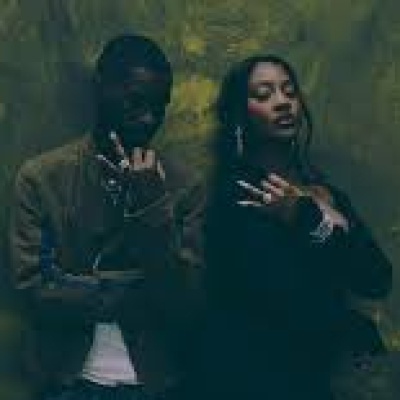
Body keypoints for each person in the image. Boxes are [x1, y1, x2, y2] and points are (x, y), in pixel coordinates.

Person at [10, 34, 204, 400]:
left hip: (158, 384)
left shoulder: (185, 186)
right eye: (135, 101)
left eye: (159, 106)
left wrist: (152, 206)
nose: (148, 118)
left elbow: (185, 303)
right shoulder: (42, 178)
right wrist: (135, 293)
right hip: (67, 382)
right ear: (100, 88)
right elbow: (35, 291)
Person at [202, 55, 392, 399]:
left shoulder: (323, 193)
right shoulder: (238, 198)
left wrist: (311, 219)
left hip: (316, 381)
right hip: (257, 384)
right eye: (264, 95)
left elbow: (377, 279)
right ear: (240, 116)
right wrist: (320, 225)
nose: (282, 102)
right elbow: (284, 307)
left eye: (289, 92)